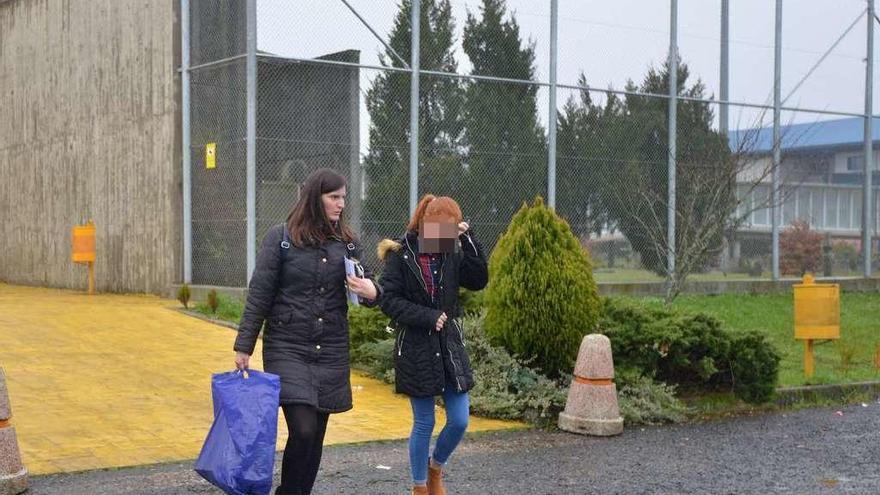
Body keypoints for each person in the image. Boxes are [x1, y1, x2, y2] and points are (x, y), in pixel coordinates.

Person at [233, 168, 379, 495]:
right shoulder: (281, 238)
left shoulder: (349, 244)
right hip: (288, 347)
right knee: (303, 429)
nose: (341, 204)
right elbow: (260, 293)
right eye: (334, 197)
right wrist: (244, 345)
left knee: (317, 437)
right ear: (316, 198)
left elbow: (368, 293)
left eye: (343, 197)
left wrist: (373, 291)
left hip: (331, 349)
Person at [377, 194, 489, 495]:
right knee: (424, 422)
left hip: (449, 346)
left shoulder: (452, 249)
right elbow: (387, 300)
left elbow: (479, 279)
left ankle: (435, 467)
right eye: (444, 228)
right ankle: (419, 487)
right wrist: (427, 316)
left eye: (453, 229)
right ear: (426, 224)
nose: (447, 235)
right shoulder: (400, 255)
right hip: (415, 346)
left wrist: (469, 239)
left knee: (460, 419)